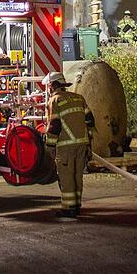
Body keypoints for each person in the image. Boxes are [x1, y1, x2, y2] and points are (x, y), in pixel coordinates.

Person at [43, 71, 94, 217]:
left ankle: (68, 208)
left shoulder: (55, 101)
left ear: (53, 86)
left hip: (66, 146)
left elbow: (54, 125)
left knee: (66, 177)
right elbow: (90, 120)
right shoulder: (78, 98)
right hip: (82, 144)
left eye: (48, 86)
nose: (48, 89)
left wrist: (49, 146)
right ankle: (77, 205)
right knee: (78, 175)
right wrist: (89, 141)